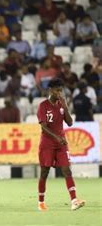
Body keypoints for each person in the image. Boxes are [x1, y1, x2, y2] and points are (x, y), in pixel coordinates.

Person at [36, 79, 85, 211]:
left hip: (61, 144)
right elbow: (43, 127)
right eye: (57, 90)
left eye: (61, 90)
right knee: (44, 173)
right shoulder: (43, 106)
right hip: (47, 144)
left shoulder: (61, 105)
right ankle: (41, 201)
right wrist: (57, 137)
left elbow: (69, 123)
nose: (59, 93)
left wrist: (65, 106)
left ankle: (74, 200)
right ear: (50, 90)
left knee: (66, 170)